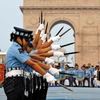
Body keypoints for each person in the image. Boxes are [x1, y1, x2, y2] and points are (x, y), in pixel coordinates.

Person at [3, 26, 59, 100]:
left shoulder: (20, 49)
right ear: (19, 39)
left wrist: (49, 69)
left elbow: (33, 61)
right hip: (14, 81)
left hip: (19, 80)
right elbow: (33, 62)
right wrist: (46, 74)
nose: (27, 43)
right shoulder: (17, 48)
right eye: (26, 40)